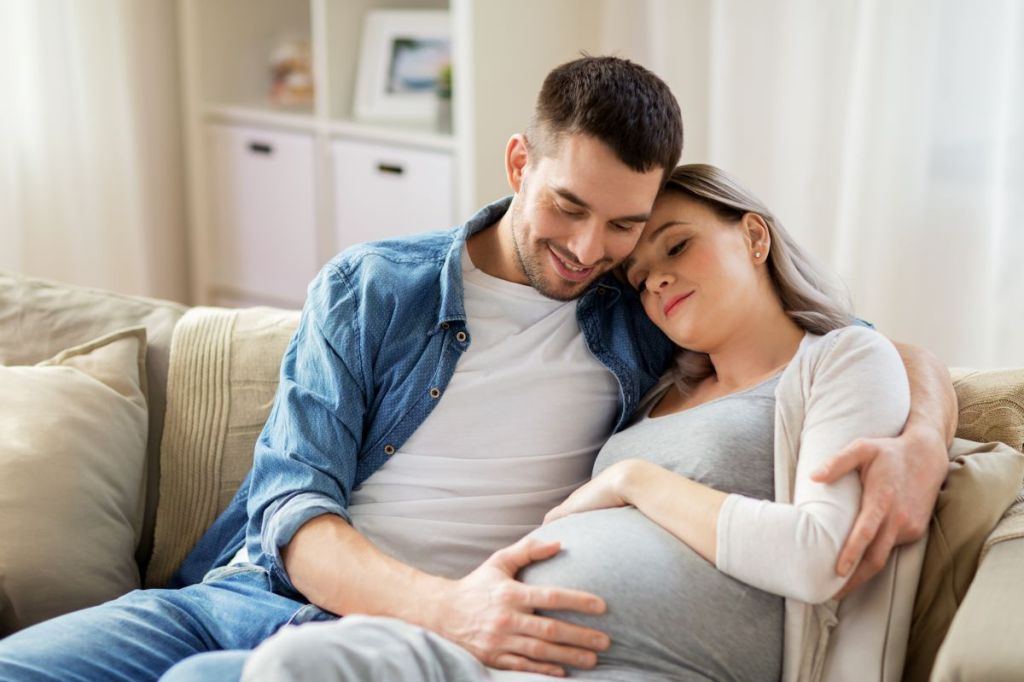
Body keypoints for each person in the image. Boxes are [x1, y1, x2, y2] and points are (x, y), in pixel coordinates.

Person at [0, 58, 953, 682]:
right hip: (250, 598)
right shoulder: (376, 287)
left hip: (412, 652)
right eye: (568, 206)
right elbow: (290, 513)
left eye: (626, 224)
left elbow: (828, 335)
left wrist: (919, 435)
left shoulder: (643, 307)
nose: (590, 248)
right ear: (517, 164)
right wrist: (456, 608)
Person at [231, 164, 929, 682]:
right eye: (639, 273)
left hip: (641, 663)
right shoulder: (656, 383)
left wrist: (634, 480)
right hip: (493, 641)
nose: (653, 278)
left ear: (753, 235)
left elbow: (818, 554)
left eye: (677, 247)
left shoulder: (833, 362)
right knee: (290, 666)